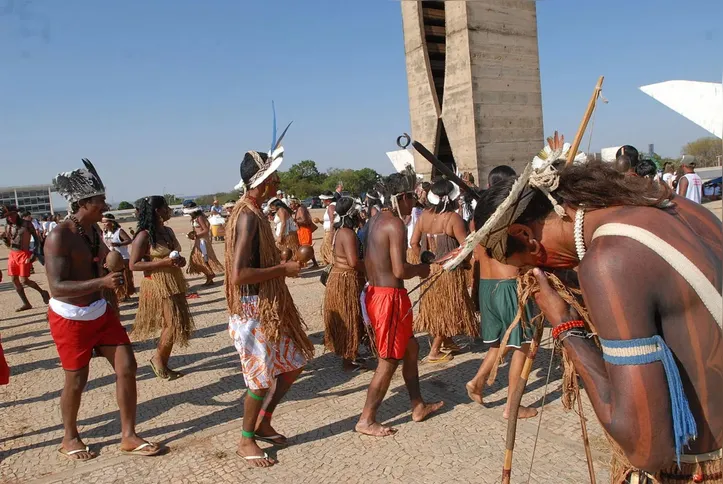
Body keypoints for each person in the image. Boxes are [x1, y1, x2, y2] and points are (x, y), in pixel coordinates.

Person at [471, 136, 722, 482]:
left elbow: (645, 449)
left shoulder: (608, 263)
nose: (529, 272)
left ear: (525, 235)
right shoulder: (672, 205)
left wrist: (565, 325)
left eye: (520, 263)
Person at [45, 159, 161, 460]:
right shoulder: (59, 235)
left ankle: (128, 436)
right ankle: (69, 437)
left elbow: (105, 261)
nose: (105, 204)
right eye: (99, 200)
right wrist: (103, 280)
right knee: (77, 379)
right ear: (83, 202)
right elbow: (56, 286)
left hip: (100, 311)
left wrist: (111, 265)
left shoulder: (92, 230)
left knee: (127, 367)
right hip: (70, 317)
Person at [226, 149, 315, 467]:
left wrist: (295, 247)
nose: (278, 180)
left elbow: (261, 259)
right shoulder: (247, 215)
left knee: (293, 366)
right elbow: (238, 275)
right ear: (262, 181)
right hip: (251, 310)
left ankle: (263, 421)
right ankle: (245, 440)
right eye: (274, 175)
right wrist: (282, 270)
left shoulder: (257, 212)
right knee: (259, 380)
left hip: (266, 307)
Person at [356, 167, 443, 437]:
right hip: (388, 299)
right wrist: (421, 269)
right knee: (389, 359)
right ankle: (366, 419)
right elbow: (399, 270)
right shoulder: (394, 224)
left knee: (412, 348)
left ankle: (418, 405)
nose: (413, 203)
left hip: (377, 294)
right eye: (412, 198)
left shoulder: (374, 221)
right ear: (402, 197)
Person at [464, 166, 538, 419]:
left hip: (487, 286)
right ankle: (512, 407)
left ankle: (477, 382)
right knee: (523, 346)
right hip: (509, 286)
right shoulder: (513, 215)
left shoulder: (478, 215)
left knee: (502, 341)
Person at [410, 179, 478, 362]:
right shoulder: (452, 218)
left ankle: (447, 342)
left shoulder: (423, 216)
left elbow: (413, 243)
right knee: (447, 310)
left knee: (437, 308)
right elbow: (465, 247)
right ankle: (434, 352)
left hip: (429, 271)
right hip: (448, 273)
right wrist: (463, 263)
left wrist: (425, 258)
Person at [129, 196, 193, 380]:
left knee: (174, 323)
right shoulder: (144, 235)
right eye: (165, 207)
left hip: (173, 280)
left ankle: (162, 361)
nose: (168, 210)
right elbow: (133, 265)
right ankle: (158, 359)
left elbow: (177, 257)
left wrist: (180, 261)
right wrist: (164, 262)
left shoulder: (168, 231)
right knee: (172, 324)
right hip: (157, 283)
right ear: (157, 211)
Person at [323, 197, 368, 370]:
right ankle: (348, 360)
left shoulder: (340, 231)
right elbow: (353, 262)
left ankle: (352, 353)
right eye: (358, 212)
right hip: (346, 280)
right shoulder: (347, 233)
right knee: (349, 318)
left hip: (340, 278)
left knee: (351, 317)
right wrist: (371, 269)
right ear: (352, 214)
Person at [1, 205, 49, 311]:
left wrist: (33, 253)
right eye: (7, 216)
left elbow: (37, 240)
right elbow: (9, 244)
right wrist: (4, 239)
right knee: (14, 279)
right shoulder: (8, 227)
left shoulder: (26, 224)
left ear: (16, 213)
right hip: (13, 255)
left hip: (24, 254)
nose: (10, 218)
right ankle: (26, 303)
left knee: (24, 280)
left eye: (12, 215)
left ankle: (42, 292)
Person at [184, 202, 223, 286]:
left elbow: (206, 230)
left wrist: (196, 235)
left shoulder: (199, 217)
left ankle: (210, 274)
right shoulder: (196, 218)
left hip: (202, 241)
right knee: (197, 259)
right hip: (198, 240)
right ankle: (209, 275)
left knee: (201, 259)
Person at [102, 213, 135, 302]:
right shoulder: (105, 233)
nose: (104, 224)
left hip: (123, 258)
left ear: (112, 222)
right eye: (103, 223)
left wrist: (118, 244)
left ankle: (125, 294)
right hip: (111, 259)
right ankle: (118, 294)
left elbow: (129, 240)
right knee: (114, 278)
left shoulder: (119, 231)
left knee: (124, 278)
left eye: (105, 222)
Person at [290, 197, 319, 268]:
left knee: (306, 247)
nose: (290, 205)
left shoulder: (300, 209)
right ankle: (310, 263)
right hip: (302, 230)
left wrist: (295, 220)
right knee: (304, 247)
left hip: (304, 230)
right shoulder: (299, 209)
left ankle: (314, 263)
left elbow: (304, 220)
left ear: (296, 204)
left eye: (291, 204)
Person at [320, 191, 337, 265]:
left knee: (328, 251)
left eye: (323, 200)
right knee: (324, 250)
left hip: (330, 231)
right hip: (329, 231)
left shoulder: (331, 207)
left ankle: (332, 264)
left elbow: (332, 221)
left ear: (328, 200)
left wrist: (331, 234)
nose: (322, 201)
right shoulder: (332, 206)